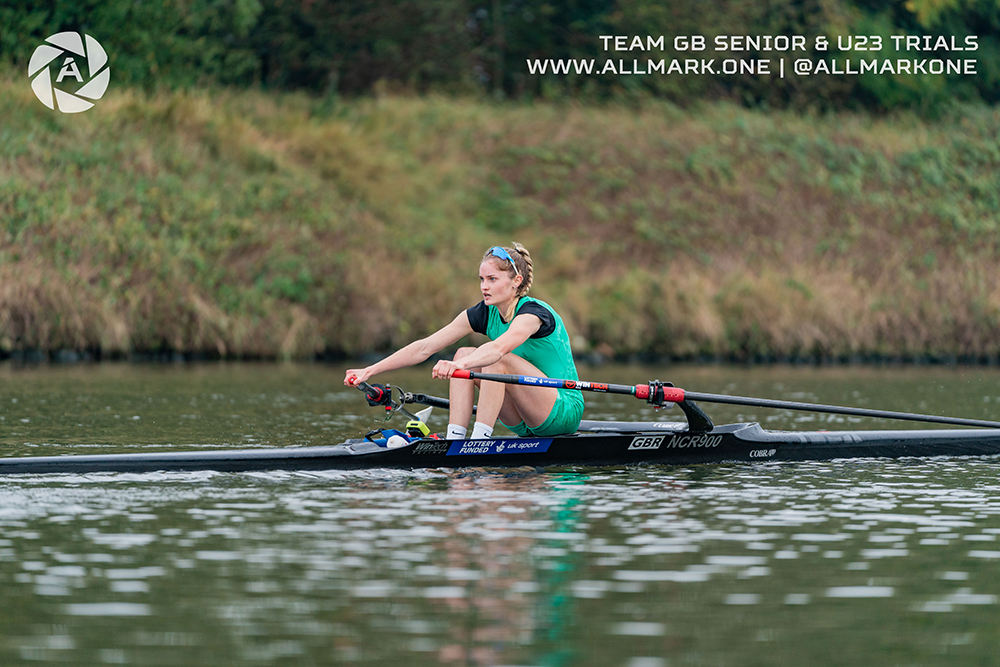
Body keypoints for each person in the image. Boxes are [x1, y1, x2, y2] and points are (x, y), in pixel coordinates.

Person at [344, 243, 584, 440]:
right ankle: (455, 439)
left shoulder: (534, 313)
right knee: (461, 353)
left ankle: (479, 440)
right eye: (481, 279)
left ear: (516, 281)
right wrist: (370, 370)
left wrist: (460, 367)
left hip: (562, 410)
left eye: (492, 279)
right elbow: (425, 347)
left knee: (493, 360)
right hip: (523, 419)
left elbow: (499, 348)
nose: (484, 287)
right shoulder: (484, 313)